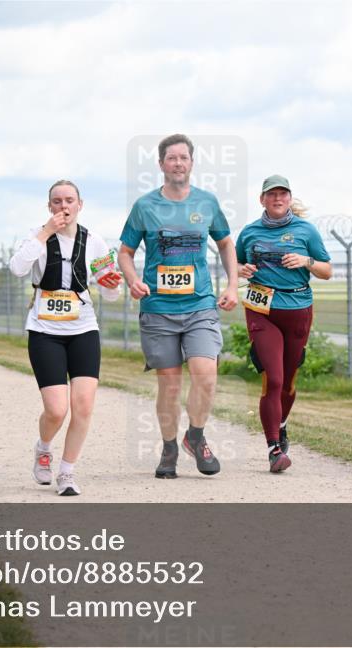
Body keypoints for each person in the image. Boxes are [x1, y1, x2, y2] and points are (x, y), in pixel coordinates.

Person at [117, 134, 239, 479]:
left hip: (200, 304)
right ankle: (169, 448)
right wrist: (132, 280)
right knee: (169, 386)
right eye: (171, 158)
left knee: (207, 377)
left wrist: (231, 285)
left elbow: (226, 243)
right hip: (158, 309)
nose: (178, 163)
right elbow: (125, 252)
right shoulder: (145, 206)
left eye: (184, 158)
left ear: (192, 163)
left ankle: (195, 437)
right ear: (161, 165)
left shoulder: (207, 202)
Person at [9, 180, 122, 496]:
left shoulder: (95, 241)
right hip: (45, 330)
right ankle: (43, 447)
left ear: (80, 205)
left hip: (83, 328)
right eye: (56, 201)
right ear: (49, 207)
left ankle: (67, 473)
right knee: (57, 409)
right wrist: (45, 232)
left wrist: (112, 283)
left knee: (83, 405)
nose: (63, 207)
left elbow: (111, 292)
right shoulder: (37, 237)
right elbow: (17, 268)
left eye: (69, 200)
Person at [237, 175, 332, 472]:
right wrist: (242, 269)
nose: (277, 199)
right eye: (271, 194)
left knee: (288, 382)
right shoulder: (249, 232)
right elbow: (234, 265)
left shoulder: (306, 231)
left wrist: (306, 262)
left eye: (283, 194)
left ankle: (282, 424)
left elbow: (327, 270)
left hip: (298, 308)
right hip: (261, 309)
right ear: (262, 200)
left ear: (290, 199)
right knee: (273, 379)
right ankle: (274, 449)